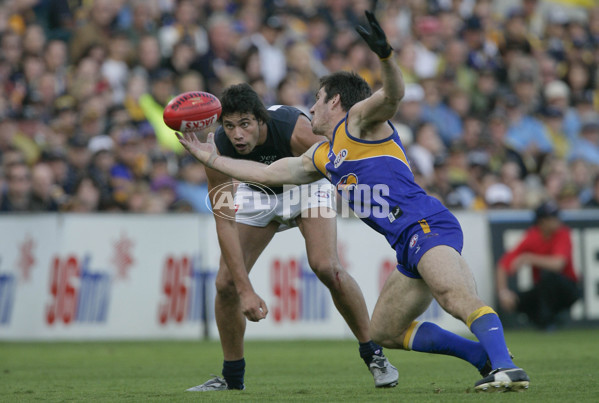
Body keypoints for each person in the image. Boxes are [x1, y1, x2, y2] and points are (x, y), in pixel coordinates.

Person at [177, 7, 530, 392]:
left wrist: (386, 58)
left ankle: (506, 365)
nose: (310, 106)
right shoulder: (321, 156)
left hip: (425, 225)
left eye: (317, 99)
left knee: (452, 296)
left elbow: (393, 94)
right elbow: (265, 175)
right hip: (405, 243)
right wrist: (209, 158)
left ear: (336, 103)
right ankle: (482, 358)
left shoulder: (359, 122)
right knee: (385, 329)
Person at [184, 83, 398, 391]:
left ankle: (374, 355)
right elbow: (224, 223)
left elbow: (342, 165)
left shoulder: (294, 130)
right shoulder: (216, 147)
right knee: (226, 284)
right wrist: (246, 291)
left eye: (245, 124)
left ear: (261, 120)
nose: (237, 135)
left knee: (326, 267)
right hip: (258, 193)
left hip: (307, 187)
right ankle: (232, 380)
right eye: (229, 126)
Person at [496, 200, 580, 330]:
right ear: (542, 222)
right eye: (552, 218)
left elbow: (558, 264)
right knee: (517, 300)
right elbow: (503, 265)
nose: (557, 220)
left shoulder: (563, 233)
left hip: (568, 289)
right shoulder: (533, 236)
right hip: (543, 290)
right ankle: (541, 321)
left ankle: (548, 321)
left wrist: (529, 258)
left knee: (548, 275)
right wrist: (503, 292)